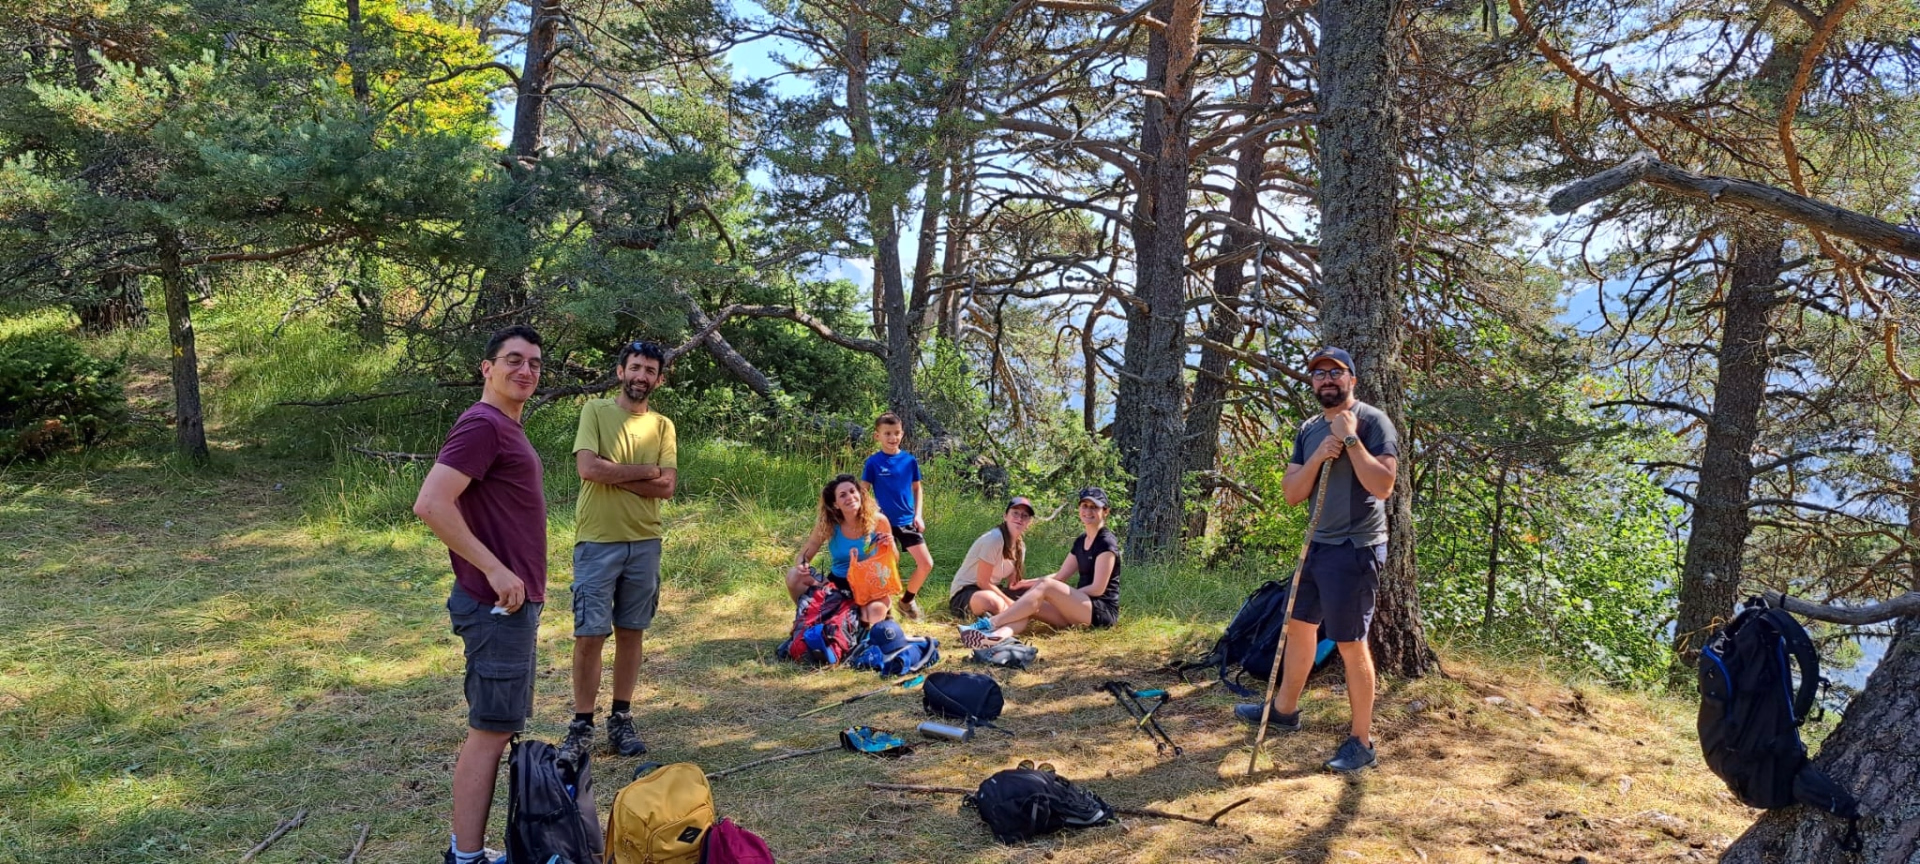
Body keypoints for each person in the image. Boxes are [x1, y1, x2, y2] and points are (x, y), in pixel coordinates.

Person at [411, 325, 549, 864]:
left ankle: (471, 851)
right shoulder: (483, 424)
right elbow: (432, 503)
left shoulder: (505, 427)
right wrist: (495, 570)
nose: (526, 370)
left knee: (499, 727)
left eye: (535, 363)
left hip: (512, 605)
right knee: (489, 732)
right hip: (496, 605)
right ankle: (465, 857)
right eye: (513, 360)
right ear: (486, 368)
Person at [1233, 346, 1399, 773]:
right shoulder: (1308, 429)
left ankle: (1361, 742)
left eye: (1335, 372)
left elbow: (1383, 485)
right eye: (1318, 374)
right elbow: (1293, 493)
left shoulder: (1372, 420)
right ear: (1312, 383)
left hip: (1355, 549)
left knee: (1349, 642)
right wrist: (1321, 454)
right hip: (1316, 546)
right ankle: (1285, 711)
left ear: (1351, 379)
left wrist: (1349, 440)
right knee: (1299, 627)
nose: (1326, 379)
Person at [557, 340, 677, 766]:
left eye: (650, 370)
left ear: (659, 379)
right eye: (635, 367)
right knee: (589, 634)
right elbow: (588, 468)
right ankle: (581, 724)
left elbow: (668, 486)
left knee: (631, 631)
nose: (641, 376)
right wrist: (645, 471)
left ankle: (621, 718)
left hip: (645, 540)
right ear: (620, 371)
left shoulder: (663, 426)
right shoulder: (595, 411)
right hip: (597, 539)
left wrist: (615, 474)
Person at [957, 488, 1121, 647]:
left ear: (1105, 511)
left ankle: (989, 624)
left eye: (1094, 507)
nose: (1088, 511)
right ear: (1079, 508)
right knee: (1025, 604)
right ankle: (994, 637)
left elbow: (1098, 589)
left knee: (1045, 589)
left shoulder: (1106, 542)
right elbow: (1061, 576)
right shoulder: (1081, 540)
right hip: (1078, 610)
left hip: (1100, 611)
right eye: (1085, 506)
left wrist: (1061, 597)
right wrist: (1027, 584)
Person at [785, 474, 895, 626]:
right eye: (842, 495)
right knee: (794, 575)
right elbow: (805, 553)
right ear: (836, 504)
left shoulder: (878, 520)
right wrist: (802, 564)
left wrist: (890, 546)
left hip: (870, 584)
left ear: (860, 494)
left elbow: (893, 560)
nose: (850, 497)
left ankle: (870, 618)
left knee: (874, 612)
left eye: (852, 491)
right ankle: (808, 619)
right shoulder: (829, 524)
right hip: (838, 584)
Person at [861, 412, 934, 621]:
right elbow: (863, 491)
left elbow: (917, 488)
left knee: (926, 563)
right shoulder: (873, 463)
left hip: (907, 521)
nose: (893, 438)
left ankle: (906, 601)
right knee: (886, 566)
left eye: (896, 433)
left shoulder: (909, 461)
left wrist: (918, 515)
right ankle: (886, 611)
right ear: (878, 436)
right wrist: (871, 513)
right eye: (887, 434)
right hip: (883, 523)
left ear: (902, 433)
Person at [944, 497, 1037, 623]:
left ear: (1028, 523)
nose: (1020, 518)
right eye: (1015, 513)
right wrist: (1011, 604)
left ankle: (1064, 621)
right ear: (1005, 516)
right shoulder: (993, 539)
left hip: (994, 589)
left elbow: (1013, 585)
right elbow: (983, 582)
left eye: (1025, 516)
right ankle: (1002, 620)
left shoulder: (1021, 547)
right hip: (967, 593)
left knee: (1035, 596)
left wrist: (1038, 585)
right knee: (993, 602)